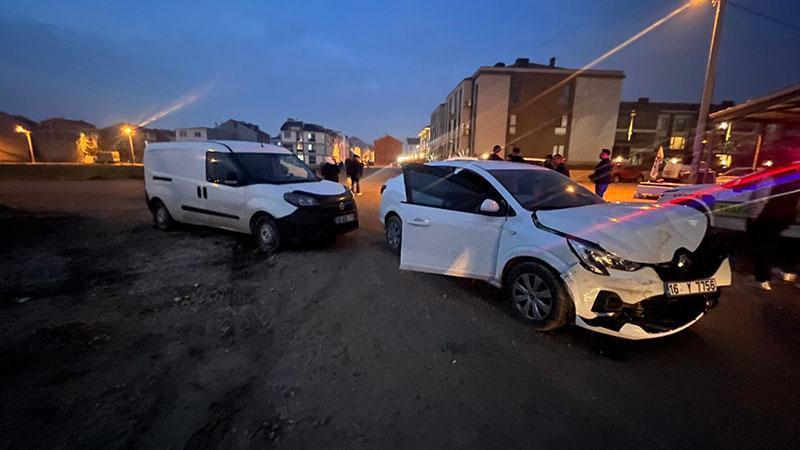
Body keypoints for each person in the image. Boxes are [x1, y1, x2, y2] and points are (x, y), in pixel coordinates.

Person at [748, 158, 800, 291]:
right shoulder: (794, 178)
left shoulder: (770, 177)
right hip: (783, 218)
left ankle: (762, 279)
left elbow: (761, 199)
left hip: (767, 217)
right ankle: (774, 272)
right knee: (773, 246)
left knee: (762, 248)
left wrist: (753, 217)